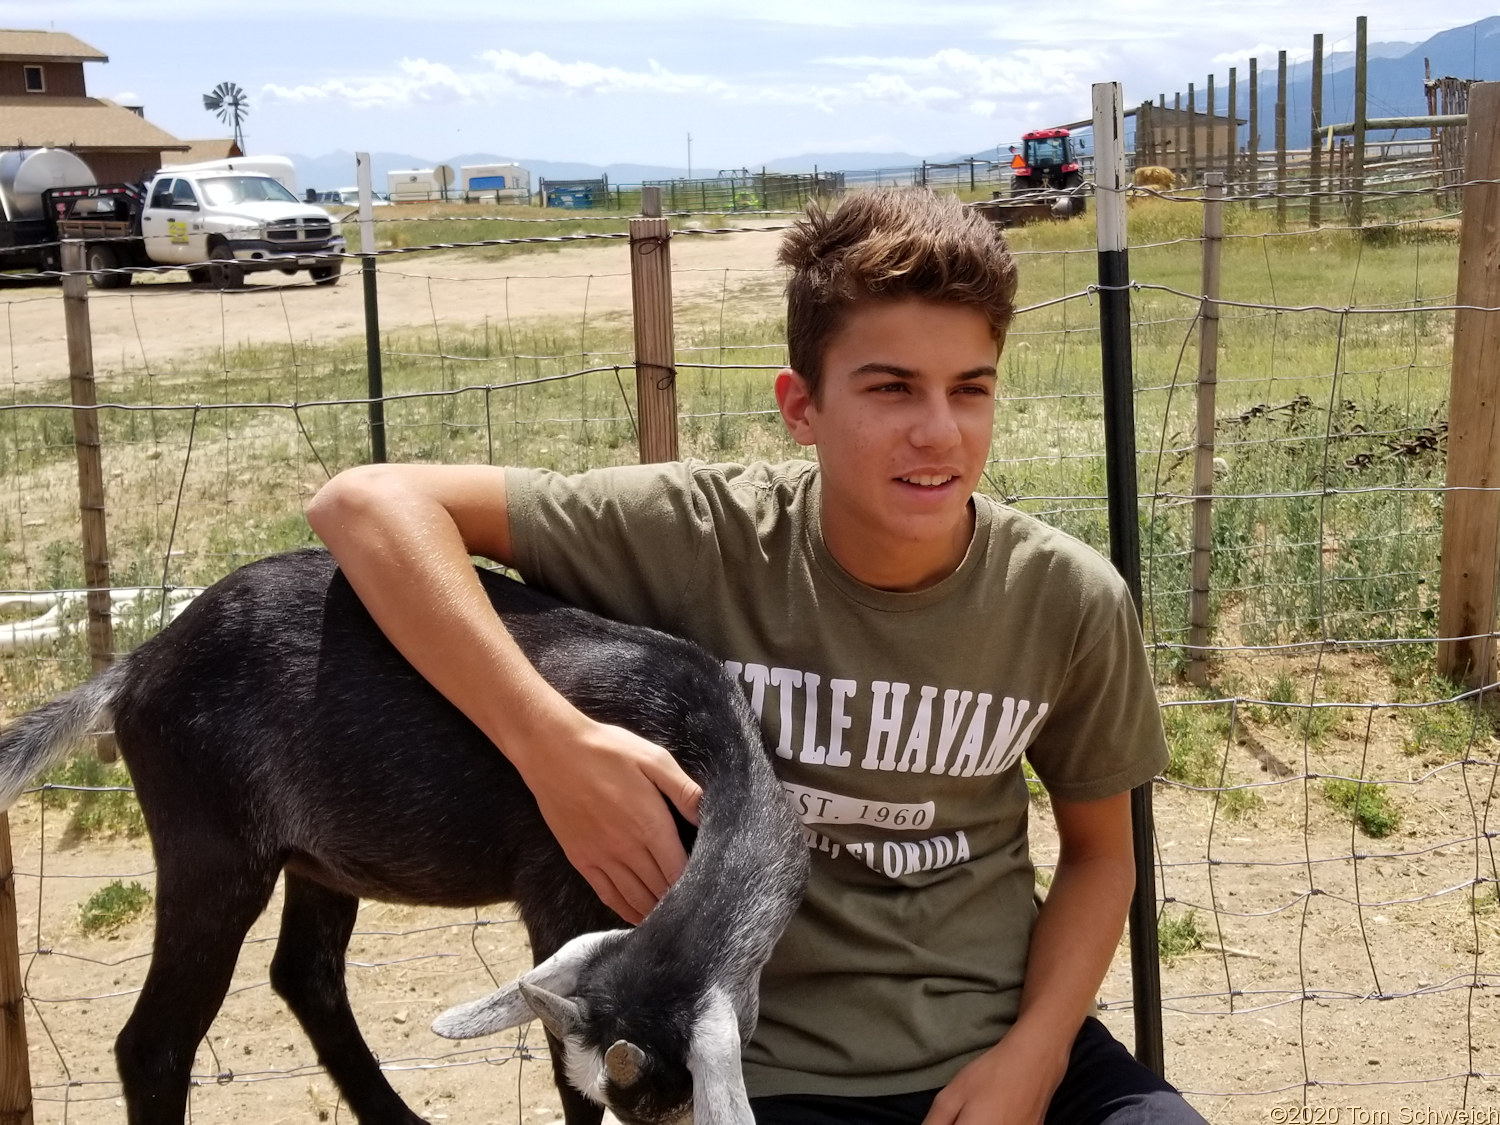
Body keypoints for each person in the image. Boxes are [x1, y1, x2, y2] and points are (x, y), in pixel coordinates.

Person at [307, 188, 1208, 1125]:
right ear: (800, 406)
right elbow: (364, 505)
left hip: (1009, 1056)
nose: (939, 431)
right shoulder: (702, 537)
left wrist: (1036, 1052)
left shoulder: (1067, 600)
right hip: (752, 1074)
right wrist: (552, 744)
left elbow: (1104, 854)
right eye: (892, 386)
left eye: (969, 388)